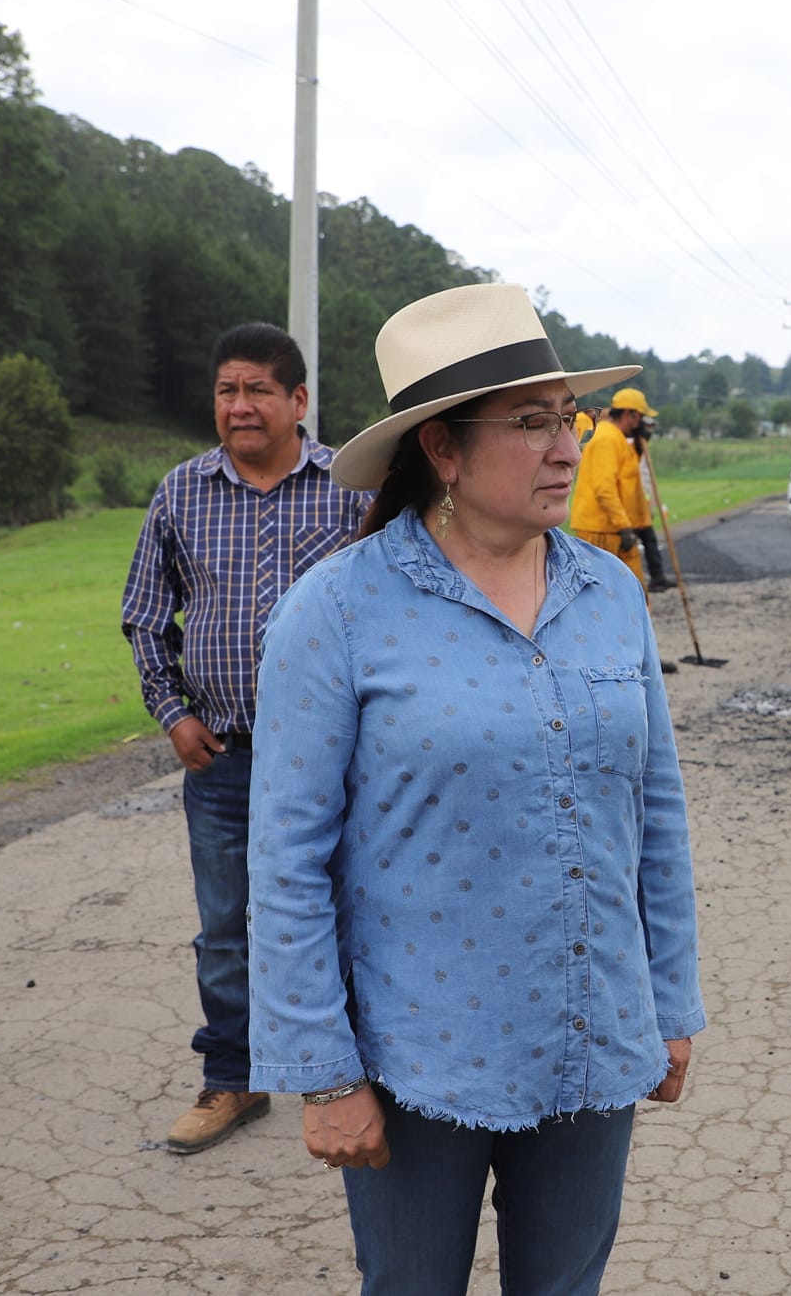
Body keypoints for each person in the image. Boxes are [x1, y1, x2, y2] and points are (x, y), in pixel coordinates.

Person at [246, 282, 705, 1295]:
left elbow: (655, 814)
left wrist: (667, 1003)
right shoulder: (337, 611)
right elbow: (284, 859)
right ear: (441, 451)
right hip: (419, 1060)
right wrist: (323, 1073)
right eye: (529, 423)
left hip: (591, 1031)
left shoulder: (608, 595)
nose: (564, 449)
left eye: (567, 419)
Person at [119, 322, 366, 1154]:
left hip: (341, 758)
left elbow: (401, 611)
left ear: (299, 400)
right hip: (223, 756)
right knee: (225, 926)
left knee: (351, 908)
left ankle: (357, 1075)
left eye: (259, 388)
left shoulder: (354, 491)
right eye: (228, 389)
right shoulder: (180, 493)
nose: (241, 404)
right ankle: (234, 1078)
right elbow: (147, 618)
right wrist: (173, 713)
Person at [568, 386, 658, 588]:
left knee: (632, 591)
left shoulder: (617, 437)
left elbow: (627, 479)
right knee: (606, 594)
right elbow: (604, 488)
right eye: (640, 417)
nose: (641, 422)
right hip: (601, 530)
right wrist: (624, 526)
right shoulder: (607, 438)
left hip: (614, 528)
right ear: (629, 414)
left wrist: (638, 447)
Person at [631, 419, 676, 592]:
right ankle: (635, 583)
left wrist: (657, 505)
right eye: (647, 429)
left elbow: (647, 480)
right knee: (631, 547)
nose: (649, 433)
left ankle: (657, 577)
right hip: (628, 507)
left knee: (650, 539)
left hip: (640, 504)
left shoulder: (641, 447)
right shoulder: (628, 445)